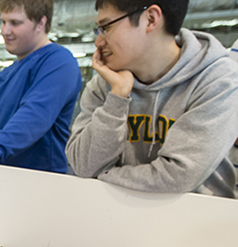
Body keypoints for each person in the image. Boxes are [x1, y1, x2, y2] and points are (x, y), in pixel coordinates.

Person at [66, 0, 238, 198]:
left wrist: (102, 176)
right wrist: (118, 97)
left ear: (150, 19)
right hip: (116, 214)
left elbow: (177, 176)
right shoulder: (106, 83)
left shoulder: (218, 81)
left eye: (106, 27)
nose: (98, 42)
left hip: (194, 221)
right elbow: (83, 165)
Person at [0, 0, 82, 178]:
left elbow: (36, 114)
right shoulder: (3, 77)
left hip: (37, 182)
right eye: (3, 22)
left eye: (15, 23)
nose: (5, 31)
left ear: (41, 23)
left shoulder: (59, 61)